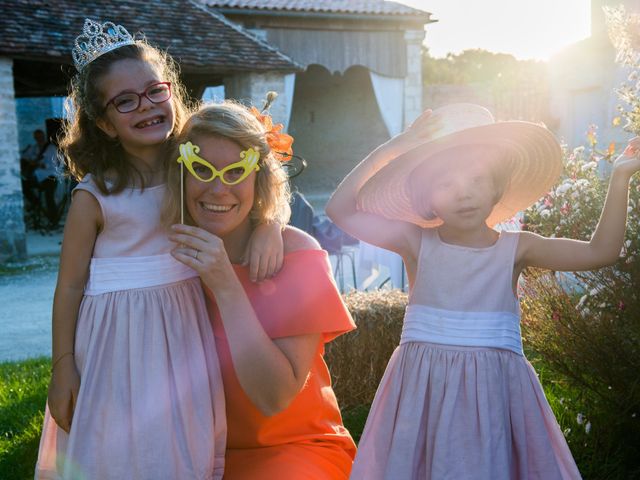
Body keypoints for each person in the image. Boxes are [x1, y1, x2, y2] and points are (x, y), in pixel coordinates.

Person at [326, 103, 640, 479]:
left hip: (493, 399)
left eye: (477, 179)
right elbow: (340, 209)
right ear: (426, 196)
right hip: (424, 397)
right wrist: (396, 148)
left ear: (496, 186)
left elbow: (599, 251)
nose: (464, 194)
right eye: (447, 184)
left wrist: (621, 177)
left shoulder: (518, 248)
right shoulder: (415, 243)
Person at [35, 19, 280, 479]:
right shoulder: (95, 196)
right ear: (105, 123)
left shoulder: (192, 169)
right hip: (113, 340)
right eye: (125, 101)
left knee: (177, 443)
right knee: (114, 446)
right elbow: (69, 287)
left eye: (154, 92)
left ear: (171, 92)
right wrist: (63, 367)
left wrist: (268, 223)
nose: (145, 107)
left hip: (184, 332)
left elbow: (250, 184)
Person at [165, 101, 358, 479]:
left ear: (259, 179)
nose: (219, 188)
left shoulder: (297, 255)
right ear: (180, 175)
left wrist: (224, 281)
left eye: (236, 173)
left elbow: (273, 398)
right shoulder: (166, 252)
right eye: (201, 169)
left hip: (291, 449)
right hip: (192, 449)